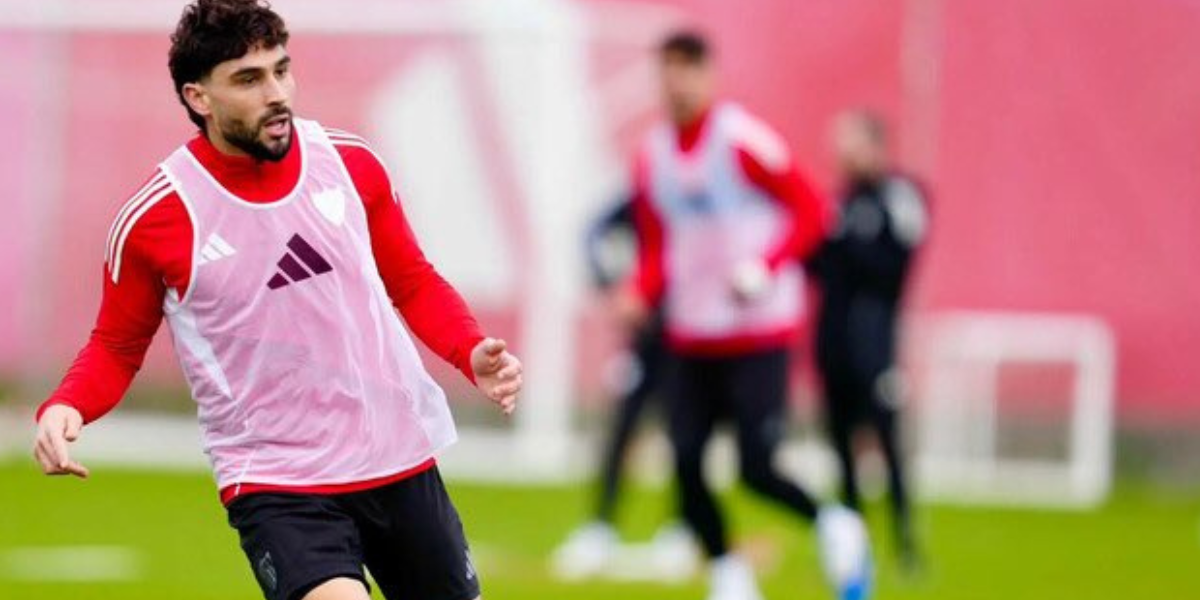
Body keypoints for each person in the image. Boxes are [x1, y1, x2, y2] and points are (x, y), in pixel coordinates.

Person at [30, 2, 522, 600]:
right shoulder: (158, 218)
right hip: (277, 480)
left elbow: (412, 281)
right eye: (249, 79)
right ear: (198, 98)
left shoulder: (351, 165)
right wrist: (66, 406)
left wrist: (469, 350)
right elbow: (117, 344)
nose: (276, 94)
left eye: (281, 71)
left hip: (396, 456)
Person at [618, 30, 872, 600]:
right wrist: (639, 289)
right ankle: (729, 576)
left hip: (758, 333)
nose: (677, 83)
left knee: (756, 466)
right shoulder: (652, 156)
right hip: (692, 332)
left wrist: (766, 266)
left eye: (688, 69)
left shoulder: (742, 142)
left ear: (709, 76)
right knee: (685, 462)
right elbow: (658, 245)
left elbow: (813, 209)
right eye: (668, 70)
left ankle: (835, 523)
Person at [551, 196, 694, 581]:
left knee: (684, 435)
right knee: (622, 430)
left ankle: (680, 529)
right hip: (647, 339)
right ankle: (600, 528)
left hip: (690, 338)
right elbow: (594, 232)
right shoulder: (649, 194)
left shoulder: (701, 201)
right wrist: (612, 285)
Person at [812, 110, 929, 571]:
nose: (842, 151)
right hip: (832, 341)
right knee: (840, 446)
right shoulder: (836, 203)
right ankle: (854, 547)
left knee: (886, 439)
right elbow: (816, 264)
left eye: (851, 141)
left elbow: (893, 266)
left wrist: (843, 244)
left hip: (874, 342)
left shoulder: (900, 197)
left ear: (876, 146)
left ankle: (905, 543)